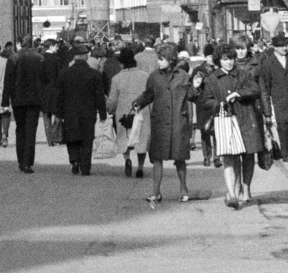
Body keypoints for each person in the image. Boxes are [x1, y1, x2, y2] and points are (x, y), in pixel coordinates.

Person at [189, 44, 263, 208]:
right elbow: (205, 100)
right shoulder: (213, 79)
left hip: (245, 118)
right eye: (225, 59)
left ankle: (246, 189)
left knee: (248, 156)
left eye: (231, 58)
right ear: (219, 60)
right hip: (224, 120)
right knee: (229, 157)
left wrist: (239, 93)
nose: (229, 62)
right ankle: (232, 194)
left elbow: (255, 90)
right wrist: (218, 104)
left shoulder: (243, 74)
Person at [130, 41, 195, 203]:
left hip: (178, 123)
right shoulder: (154, 76)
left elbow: (193, 95)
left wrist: (198, 86)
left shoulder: (183, 76)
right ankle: (156, 192)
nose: (158, 61)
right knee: (157, 159)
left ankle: (183, 190)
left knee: (179, 159)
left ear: (170, 59)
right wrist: (139, 102)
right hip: (160, 123)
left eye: (161, 58)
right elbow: (148, 94)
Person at [58, 42, 108, 175]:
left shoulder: (64, 73)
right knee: (87, 139)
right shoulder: (94, 74)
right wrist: (103, 113)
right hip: (88, 112)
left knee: (72, 136)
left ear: (74, 57)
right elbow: (99, 96)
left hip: (69, 111)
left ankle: (74, 160)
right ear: (86, 57)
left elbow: (60, 94)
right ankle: (85, 167)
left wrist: (58, 112)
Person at [258, 34, 288, 162]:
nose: (284, 48)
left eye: (285, 45)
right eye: (281, 46)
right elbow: (265, 87)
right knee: (283, 126)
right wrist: (267, 109)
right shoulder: (268, 63)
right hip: (279, 102)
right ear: (274, 48)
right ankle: (285, 152)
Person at [2, 37, 45, 173]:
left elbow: (8, 80)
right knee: (31, 130)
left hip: (18, 98)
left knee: (20, 129)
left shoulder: (13, 58)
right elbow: (44, 79)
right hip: (34, 99)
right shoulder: (40, 58)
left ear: (19, 44)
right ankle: (28, 162)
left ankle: (21, 160)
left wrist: (5, 101)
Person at [106, 48, 150, 178]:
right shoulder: (145, 76)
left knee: (125, 138)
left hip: (124, 113)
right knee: (141, 139)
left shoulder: (116, 78)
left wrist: (110, 109)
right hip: (142, 111)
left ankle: (127, 160)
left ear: (122, 63)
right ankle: (140, 167)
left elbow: (113, 99)